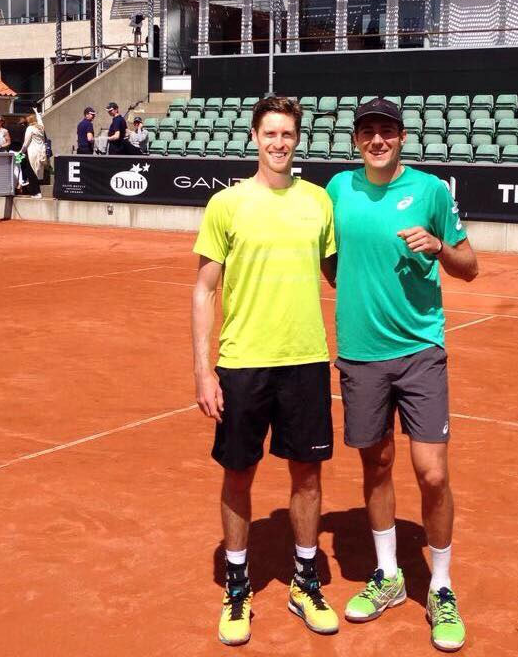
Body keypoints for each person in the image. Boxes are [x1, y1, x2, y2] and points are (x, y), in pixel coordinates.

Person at [326, 98, 478, 653]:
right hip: (361, 354)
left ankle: (440, 586)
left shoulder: (433, 192)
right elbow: (328, 260)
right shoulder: (337, 191)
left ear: (402, 136)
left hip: (420, 351)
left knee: (431, 472)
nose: (377, 140)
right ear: (355, 140)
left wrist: (438, 247)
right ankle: (390, 575)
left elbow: (470, 267)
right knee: (377, 462)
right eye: (367, 132)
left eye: (386, 131)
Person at [191, 95, 339, 647]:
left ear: (298, 140)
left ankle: (305, 579)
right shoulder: (227, 205)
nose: (279, 143)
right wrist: (204, 372)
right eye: (270, 133)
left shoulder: (320, 203)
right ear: (255, 137)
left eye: (288, 134)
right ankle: (237, 584)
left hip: (305, 360)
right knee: (238, 473)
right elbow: (204, 290)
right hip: (242, 364)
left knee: (307, 474)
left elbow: (340, 274)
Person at [17, 111, 47, 197]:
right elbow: (40, 121)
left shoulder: (30, 129)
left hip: (32, 152)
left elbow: (26, 143)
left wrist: (20, 153)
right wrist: (37, 113)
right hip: (41, 152)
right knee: (37, 172)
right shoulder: (41, 128)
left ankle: (36, 192)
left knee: (31, 172)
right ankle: (37, 191)